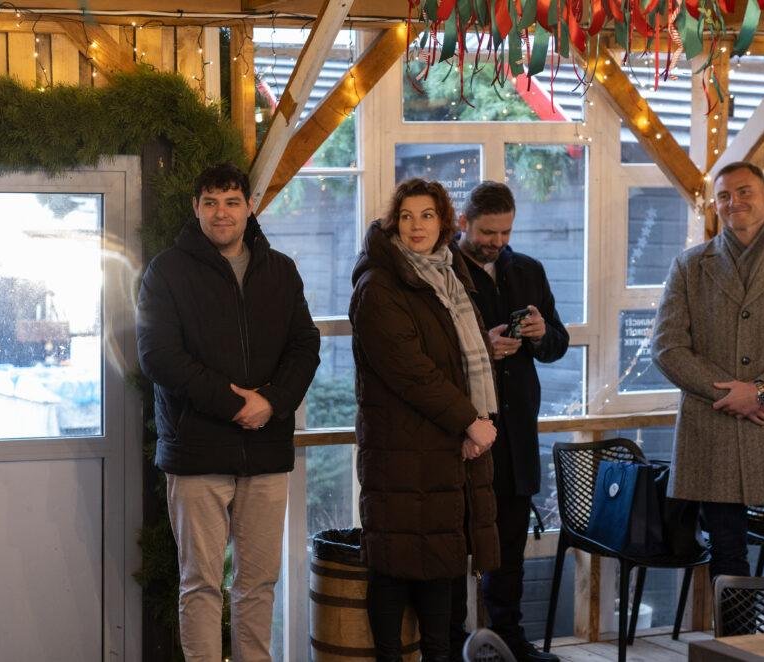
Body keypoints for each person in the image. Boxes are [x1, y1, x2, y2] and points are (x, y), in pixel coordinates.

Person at [136, 163, 320, 661]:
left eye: (232, 202)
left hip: (266, 451)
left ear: (249, 207)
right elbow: (158, 355)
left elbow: (305, 345)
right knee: (200, 584)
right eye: (211, 203)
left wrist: (272, 402)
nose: (222, 213)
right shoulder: (166, 272)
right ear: (196, 208)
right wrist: (237, 405)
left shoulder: (280, 270)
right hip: (197, 452)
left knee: (258, 583)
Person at [651, 161, 764, 579]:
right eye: (724, 196)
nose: (734, 201)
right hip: (714, 430)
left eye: (744, 191)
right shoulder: (689, 266)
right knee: (728, 558)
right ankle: (735, 629)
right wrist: (729, 395)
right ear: (715, 206)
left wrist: (760, 392)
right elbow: (666, 347)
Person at [350, 178, 500, 662]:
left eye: (428, 215)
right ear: (394, 222)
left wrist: (474, 423)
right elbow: (412, 372)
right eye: (408, 216)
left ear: (445, 222)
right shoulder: (379, 286)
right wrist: (469, 421)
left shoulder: (450, 276)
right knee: (393, 570)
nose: (417, 226)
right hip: (399, 450)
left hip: (443, 449)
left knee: (440, 572)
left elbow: (460, 360)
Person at [451, 181, 569, 662]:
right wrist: (482, 347)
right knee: (454, 544)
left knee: (510, 547)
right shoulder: (445, 271)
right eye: (487, 232)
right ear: (463, 222)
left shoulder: (528, 270)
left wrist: (541, 334)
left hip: (517, 431)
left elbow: (558, 344)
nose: (497, 242)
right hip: (463, 430)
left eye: (505, 232)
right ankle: (452, 642)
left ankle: (510, 642)